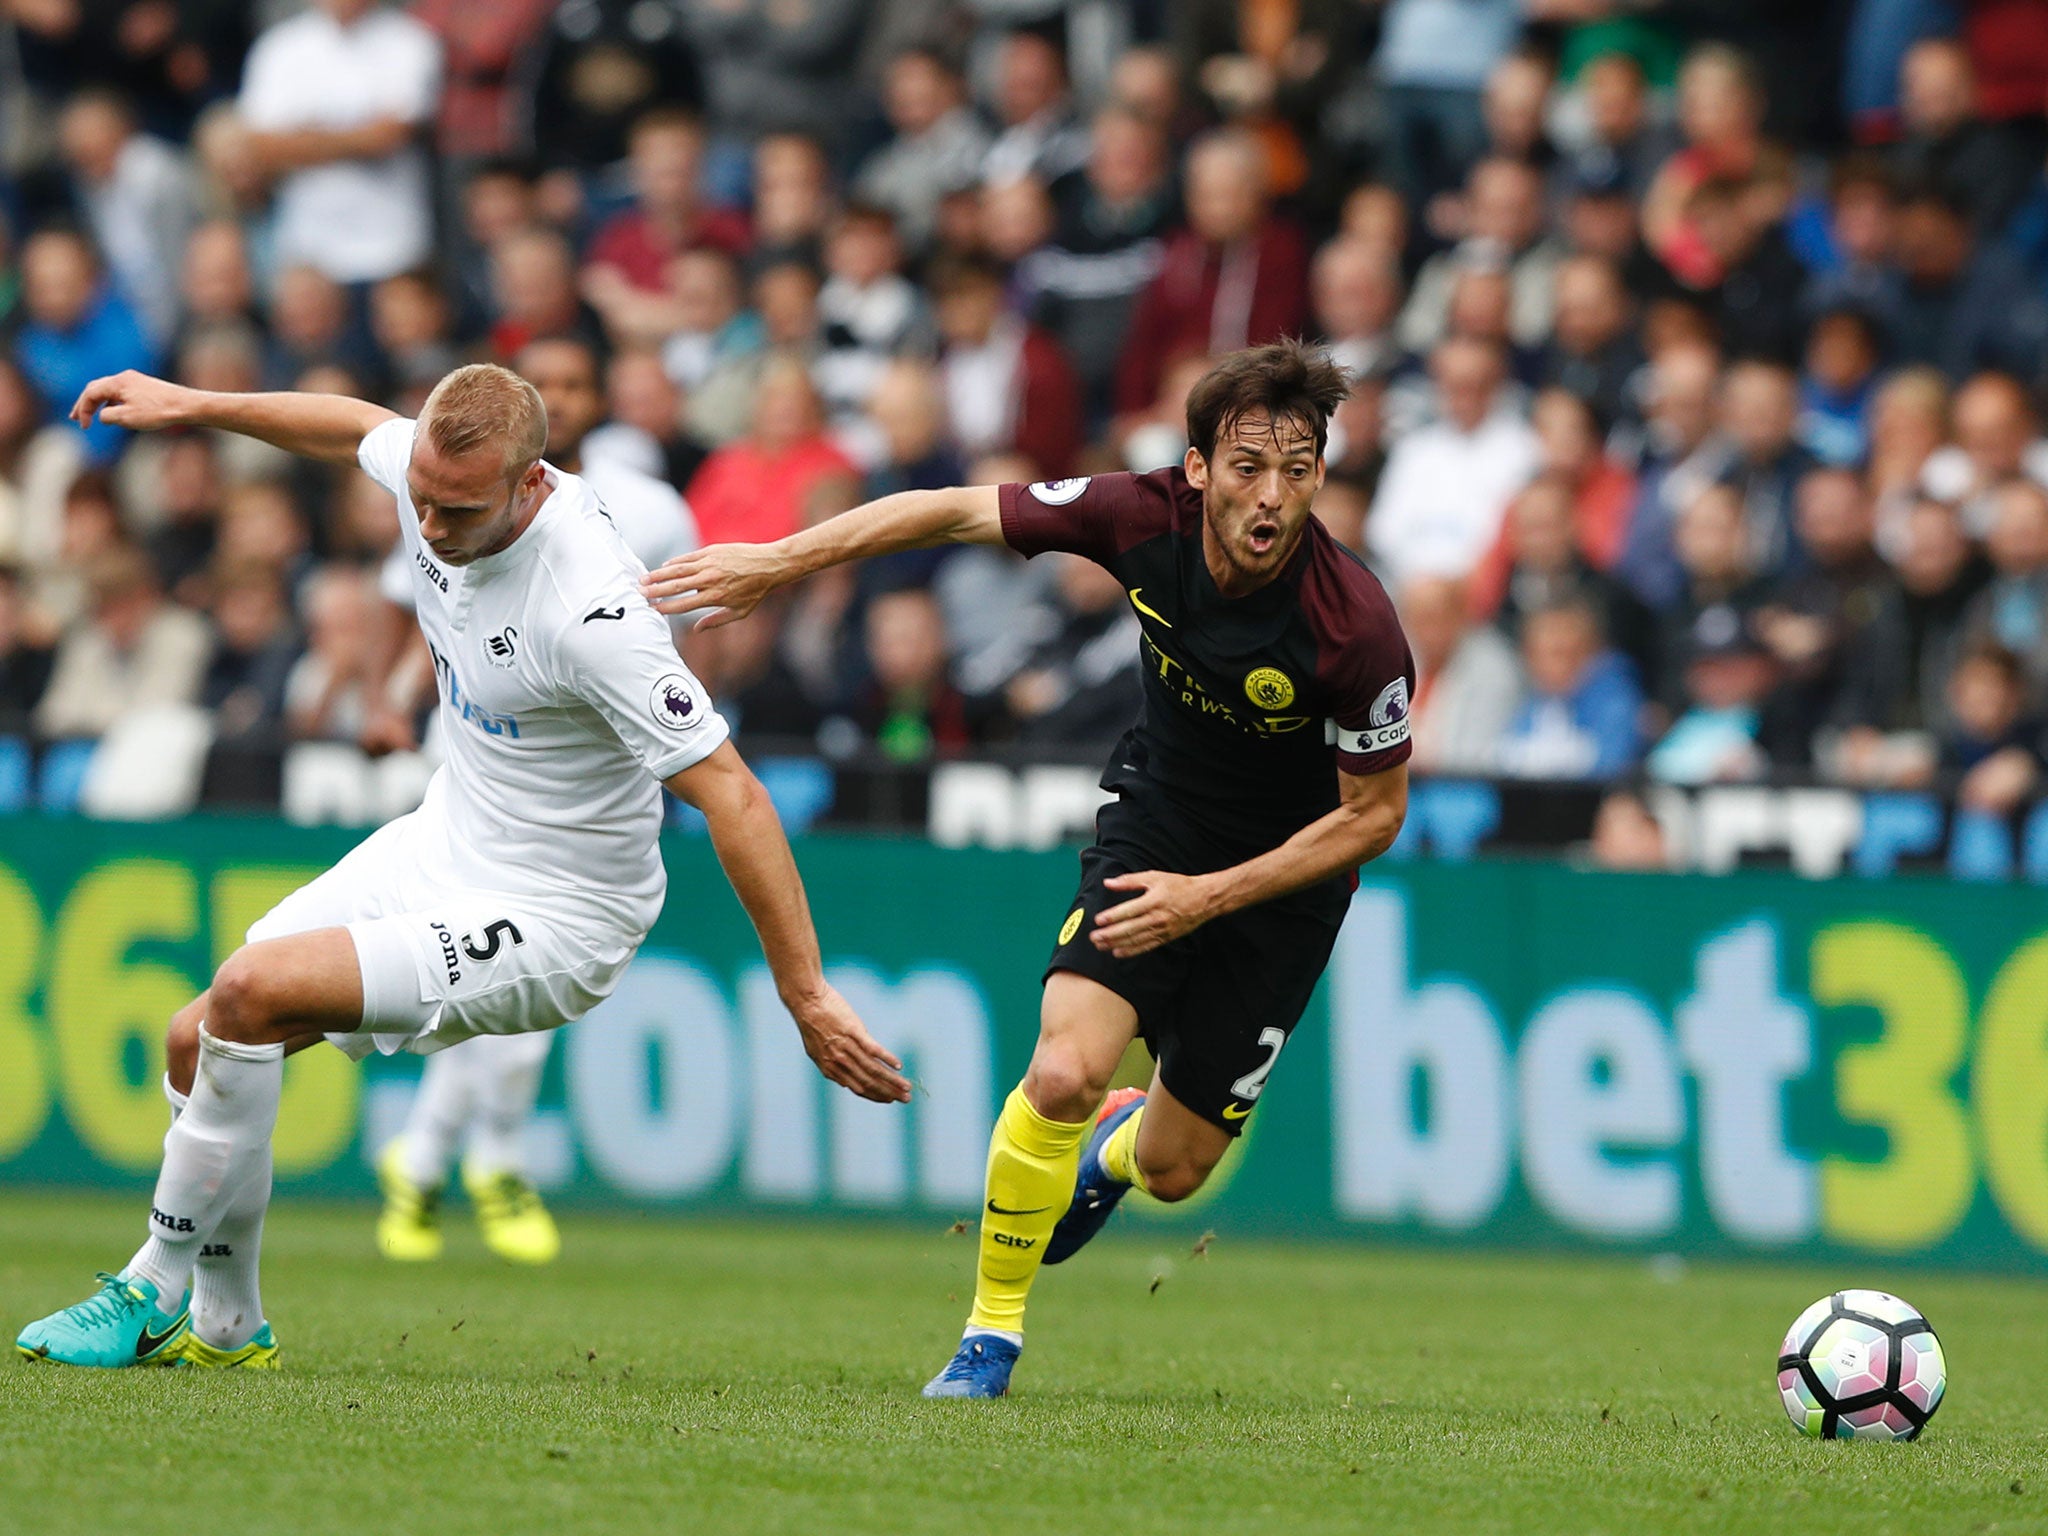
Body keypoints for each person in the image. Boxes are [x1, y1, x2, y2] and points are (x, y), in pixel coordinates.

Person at [15, 362, 908, 1370]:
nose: (429, 530)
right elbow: (350, 422)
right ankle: (226, 1326)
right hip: (448, 836)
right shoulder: (435, 469)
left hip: (562, 907)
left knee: (249, 991)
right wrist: (196, 405)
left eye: (458, 511)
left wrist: (804, 991)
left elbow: (735, 793)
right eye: (421, 503)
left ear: (531, 483)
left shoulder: (591, 614)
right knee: (201, 1040)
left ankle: (148, 1287)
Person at [644, 340, 1412, 1398]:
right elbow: (944, 510)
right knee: (1059, 1071)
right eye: (1244, 467)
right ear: (1194, 470)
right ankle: (987, 1338)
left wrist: (1212, 900)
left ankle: (1108, 1152)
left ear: (1320, 476)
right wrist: (778, 562)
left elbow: (1372, 818)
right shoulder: (1138, 515)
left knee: (1174, 1174)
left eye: (1294, 470)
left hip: (1280, 877)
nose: (1268, 495)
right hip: (1162, 825)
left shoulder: (1355, 627)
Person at [369, 333, 701, 1265]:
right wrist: (387, 699)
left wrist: (676, 735)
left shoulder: (649, 509)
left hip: (586, 766)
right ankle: (488, 1163)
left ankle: (427, 1158)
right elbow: (420, 599)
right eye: (543, 377)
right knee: (485, 975)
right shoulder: (451, 483)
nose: (559, 391)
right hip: (470, 758)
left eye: (573, 381)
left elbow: (689, 626)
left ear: (590, 400)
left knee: (499, 982)